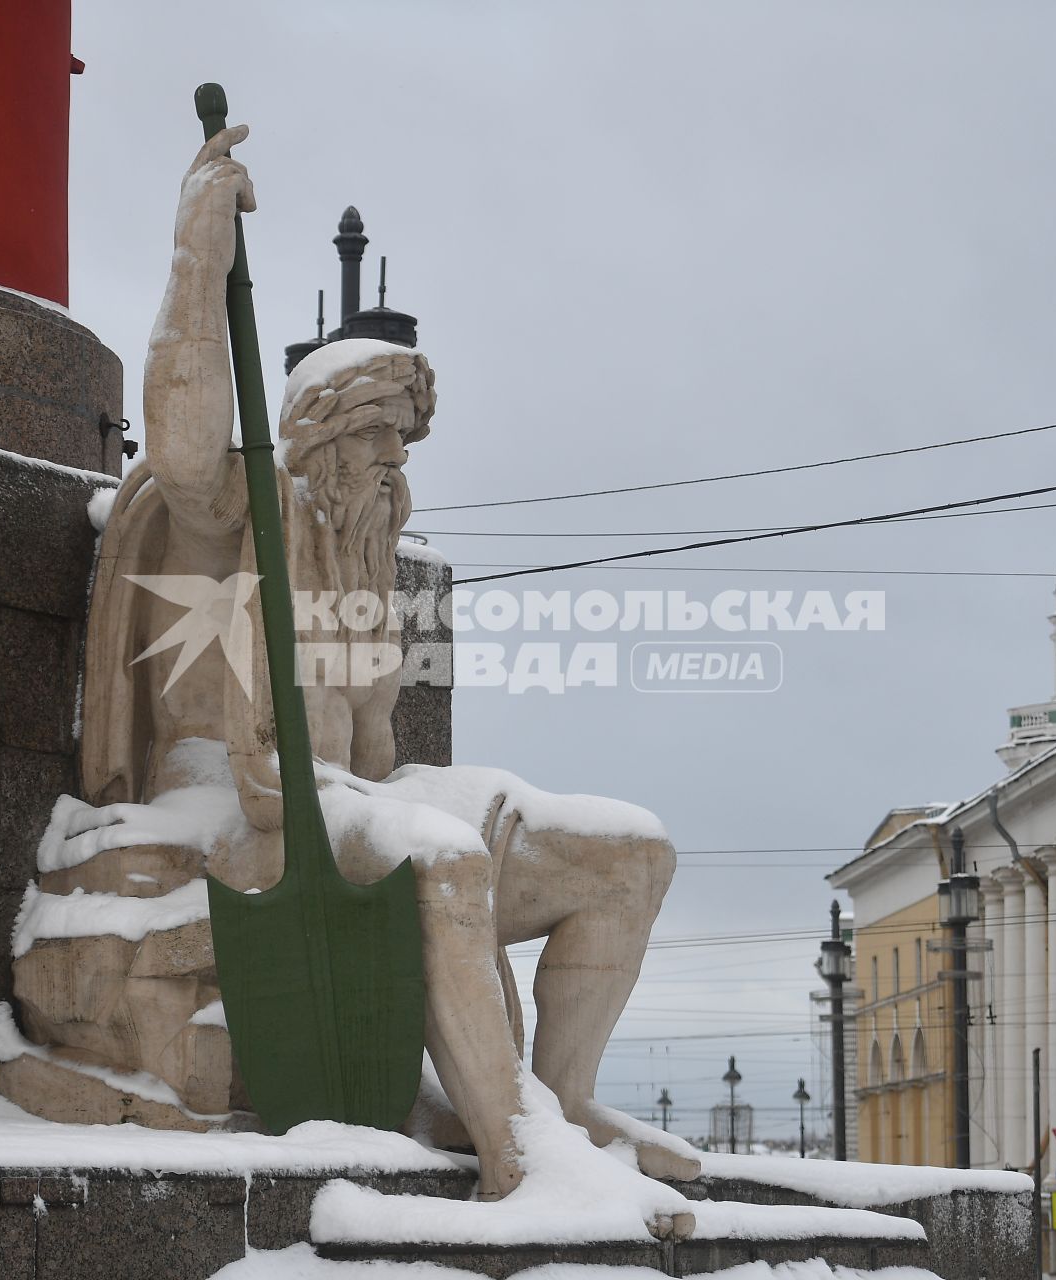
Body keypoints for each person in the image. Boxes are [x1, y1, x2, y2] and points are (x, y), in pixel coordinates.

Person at [75, 123, 695, 1208]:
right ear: (318, 441)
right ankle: (517, 1156)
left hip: (350, 800)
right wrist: (195, 262)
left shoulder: (366, 564)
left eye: (402, 446)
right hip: (237, 804)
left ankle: (559, 1101)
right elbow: (177, 449)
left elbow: (376, 759)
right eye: (376, 440)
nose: (393, 466)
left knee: (630, 854)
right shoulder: (250, 512)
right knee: (442, 860)